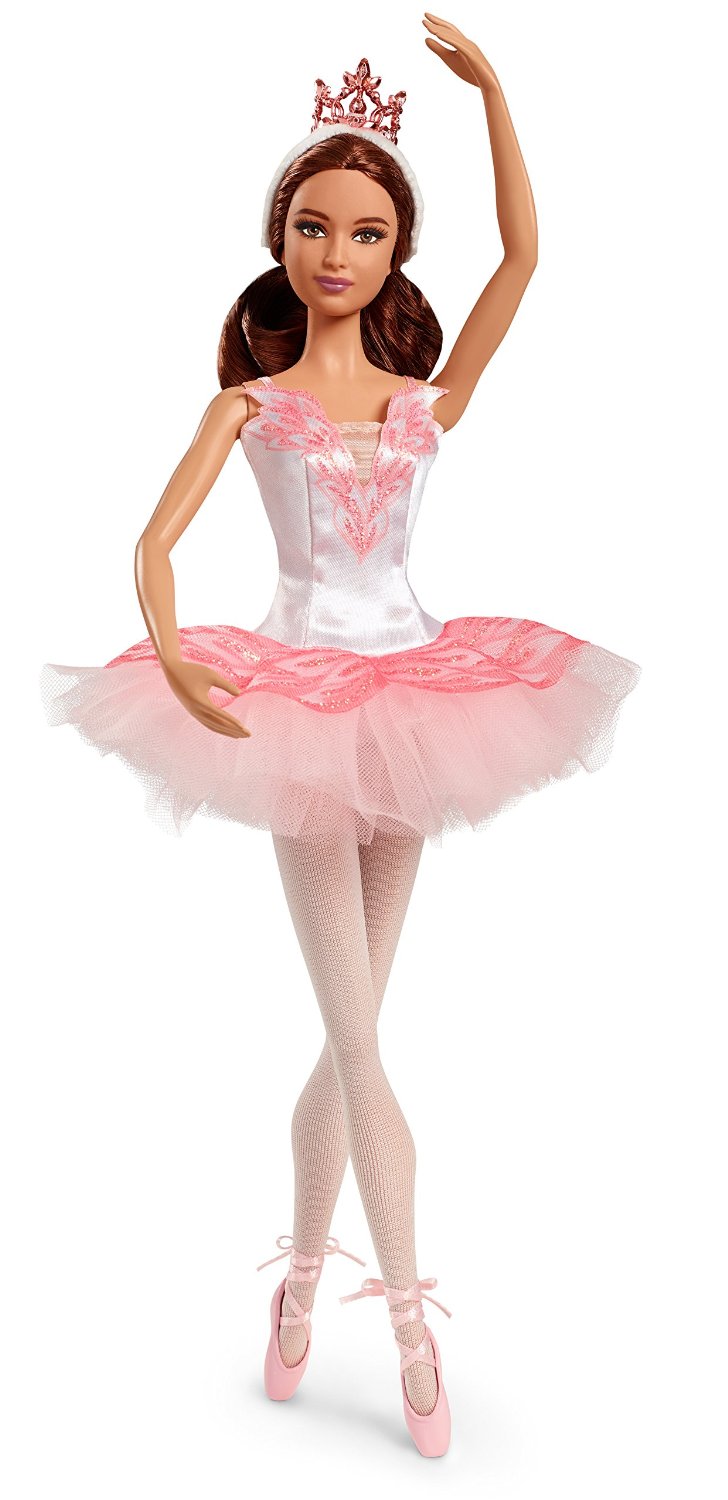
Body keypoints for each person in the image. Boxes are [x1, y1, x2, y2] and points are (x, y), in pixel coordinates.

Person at [39, 16, 641, 1459]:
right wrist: (183, 665)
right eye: (314, 226)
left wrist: (497, 97)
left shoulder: (428, 405)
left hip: (422, 702)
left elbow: (524, 262)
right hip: (296, 709)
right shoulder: (249, 406)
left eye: (366, 233)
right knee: (362, 1038)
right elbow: (154, 542)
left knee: (348, 1029)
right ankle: (414, 1322)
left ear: (394, 255)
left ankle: (302, 1283)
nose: (335, 252)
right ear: (281, 237)